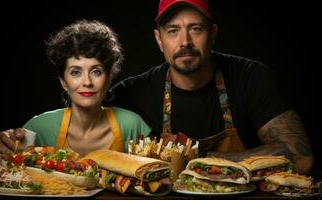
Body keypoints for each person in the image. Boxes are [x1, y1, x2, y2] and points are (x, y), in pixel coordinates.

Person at [105, 0, 313, 174]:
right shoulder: (135, 91)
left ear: (212, 34)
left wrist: (200, 159)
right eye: (173, 31)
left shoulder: (250, 76)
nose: (185, 41)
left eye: (196, 29)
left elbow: (300, 156)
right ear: (159, 40)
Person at [0, 19, 151, 164]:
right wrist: (0, 155)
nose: (87, 82)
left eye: (96, 71)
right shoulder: (38, 128)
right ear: (63, 82)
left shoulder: (132, 125)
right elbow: (8, 174)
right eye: (75, 72)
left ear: (108, 79)